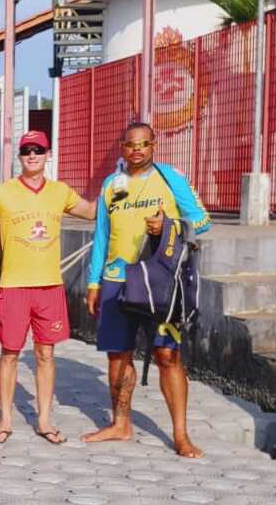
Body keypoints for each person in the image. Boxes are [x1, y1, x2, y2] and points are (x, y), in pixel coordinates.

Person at [83, 122, 210, 458]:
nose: (137, 150)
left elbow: (202, 220)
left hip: (161, 280)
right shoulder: (111, 185)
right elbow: (101, 237)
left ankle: (181, 435)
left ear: (154, 145)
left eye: (143, 144)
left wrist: (168, 225)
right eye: (130, 144)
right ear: (122, 147)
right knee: (117, 353)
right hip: (117, 278)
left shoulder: (171, 178)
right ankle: (120, 424)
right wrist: (94, 282)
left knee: (167, 355)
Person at [0, 131, 95, 446]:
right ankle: (5, 419)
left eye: (38, 150)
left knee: (45, 353)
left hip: (49, 286)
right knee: (10, 353)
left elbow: (92, 211)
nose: (32, 155)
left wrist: (122, 186)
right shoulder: (2, 192)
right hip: (13, 286)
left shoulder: (60, 192)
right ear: (20, 155)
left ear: (48, 154)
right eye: (27, 150)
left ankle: (44, 419)